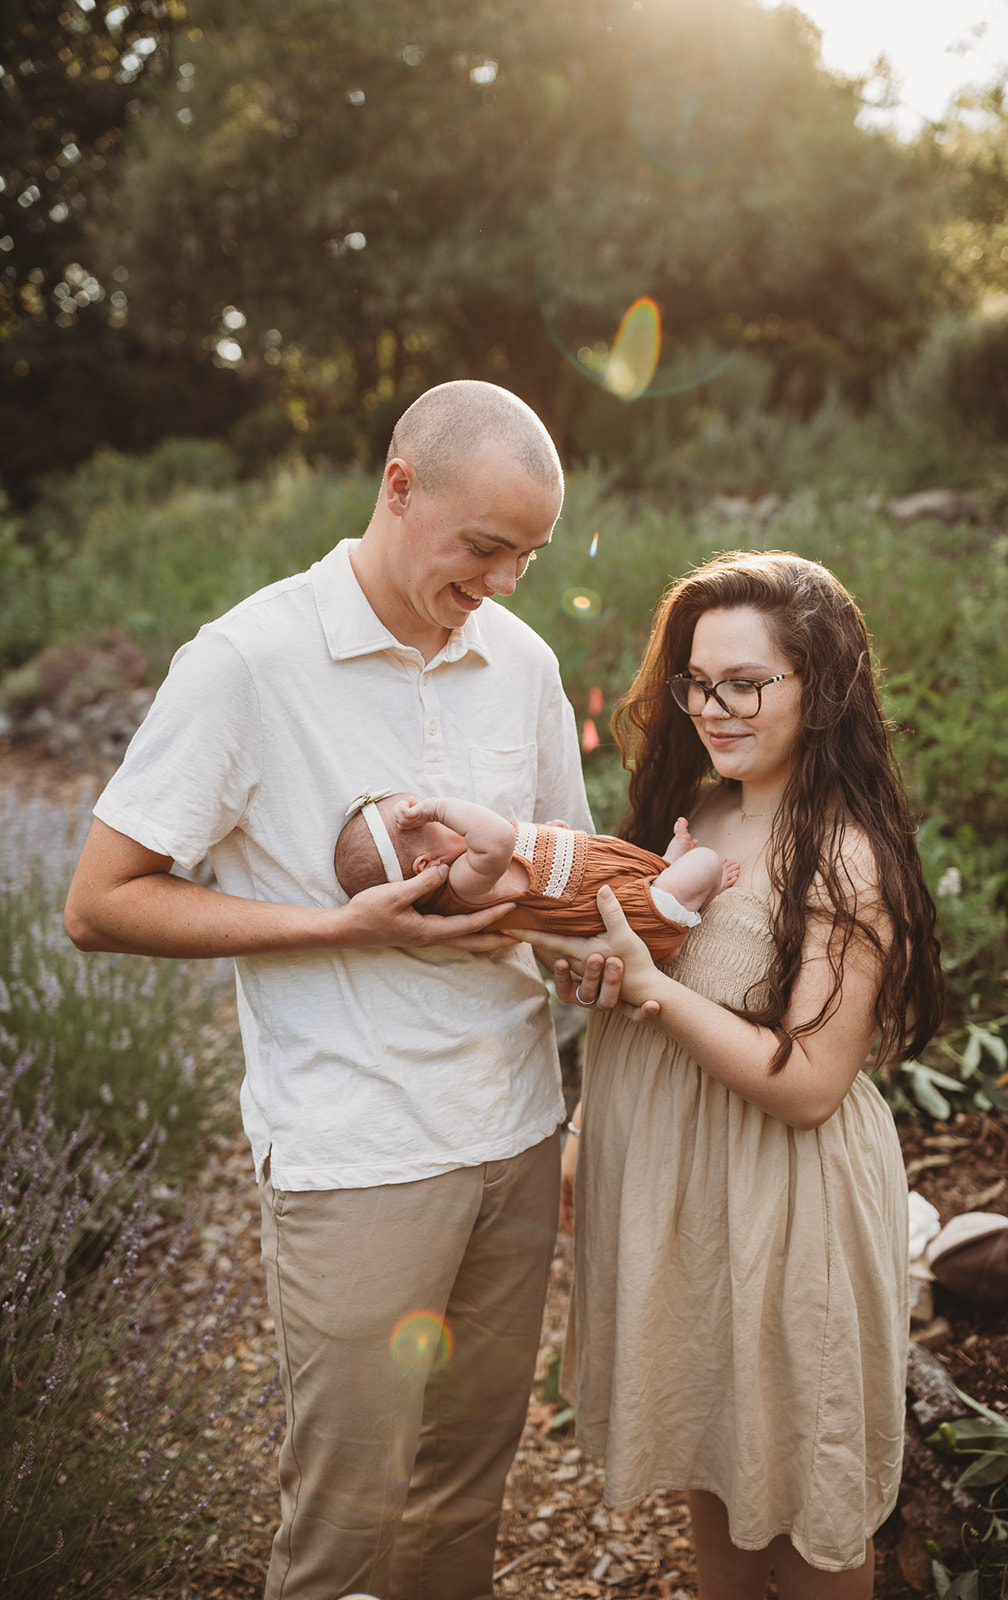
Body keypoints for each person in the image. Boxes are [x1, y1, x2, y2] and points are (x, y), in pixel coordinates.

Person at [63, 380, 595, 1600]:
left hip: (514, 1133)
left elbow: (560, 871)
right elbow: (99, 900)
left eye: (530, 555)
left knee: (466, 1492)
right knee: (342, 1527)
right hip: (356, 1149)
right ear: (399, 489)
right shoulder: (250, 660)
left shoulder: (522, 662)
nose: (506, 581)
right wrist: (329, 925)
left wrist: (602, 938)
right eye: (485, 547)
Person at [515, 550, 944, 1600]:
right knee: (717, 1448)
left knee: (805, 1491)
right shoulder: (699, 812)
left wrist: (652, 990)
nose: (713, 706)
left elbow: (806, 1084)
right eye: (697, 681)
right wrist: (612, 990)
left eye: (745, 683)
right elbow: (672, 979)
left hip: (784, 1198)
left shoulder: (843, 856)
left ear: (824, 688)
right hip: (690, 1189)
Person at [333, 790, 739, 964]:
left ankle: (667, 868)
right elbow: (498, 837)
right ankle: (702, 887)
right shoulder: (461, 883)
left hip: (621, 878)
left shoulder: (475, 865)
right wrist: (438, 806)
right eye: (425, 820)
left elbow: (519, 847)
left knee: (651, 870)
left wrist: (548, 834)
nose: (432, 807)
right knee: (706, 859)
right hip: (635, 912)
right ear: (425, 865)